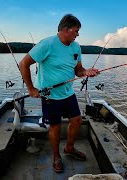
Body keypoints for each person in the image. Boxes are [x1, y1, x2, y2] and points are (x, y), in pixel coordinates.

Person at [19, 14, 99, 173]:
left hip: (68, 93)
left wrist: (86, 72)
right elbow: (24, 64)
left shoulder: (76, 47)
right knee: (55, 126)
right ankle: (56, 156)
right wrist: (31, 89)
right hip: (50, 96)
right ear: (66, 29)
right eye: (76, 31)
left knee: (76, 120)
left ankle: (69, 148)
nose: (78, 34)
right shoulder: (47, 44)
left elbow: (78, 70)